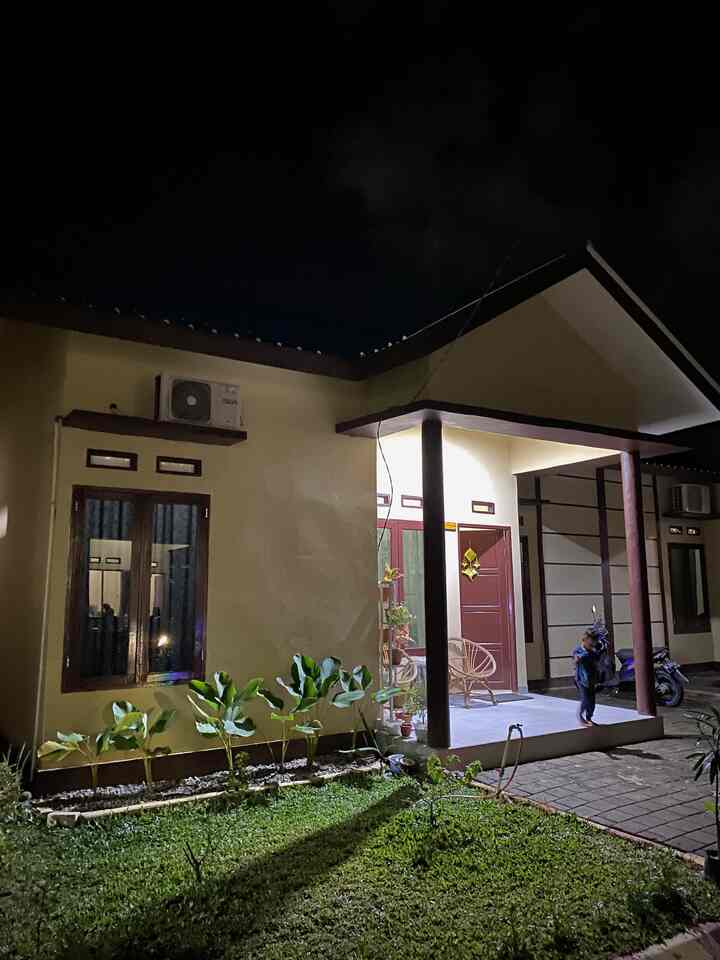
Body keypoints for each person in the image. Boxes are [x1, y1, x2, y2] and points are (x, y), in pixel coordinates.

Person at [572, 630, 599, 726]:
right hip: (581, 679)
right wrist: (578, 659)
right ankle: (580, 716)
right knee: (585, 699)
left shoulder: (592, 652)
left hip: (591, 679)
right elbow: (575, 660)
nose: (592, 645)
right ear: (585, 640)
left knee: (592, 700)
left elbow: (597, 662)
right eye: (591, 643)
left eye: (593, 644)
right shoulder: (578, 650)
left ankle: (589, 717)